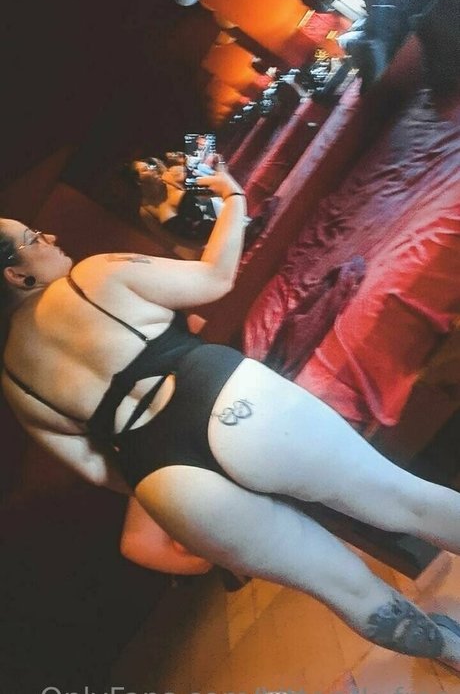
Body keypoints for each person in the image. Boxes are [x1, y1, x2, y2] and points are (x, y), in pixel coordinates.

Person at [3, 167, 460, 674]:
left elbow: (96, 470)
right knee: (406, 502)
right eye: (32, 238)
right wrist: (232, 193)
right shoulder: (91, 276)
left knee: (342, 589)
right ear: (15, 275)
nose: (49, 237)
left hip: (166, 481)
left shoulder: (13, 381)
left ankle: (451, 652)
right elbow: (215, 278)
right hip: (228, 403)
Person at [123, 157, 216, 247]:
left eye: (151, 166)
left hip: (219, 218)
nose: (153, 169)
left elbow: (210, 185)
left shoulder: (171, 177)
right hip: (206, 242)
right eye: (145, 169)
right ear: (138, 181)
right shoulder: (146, 211)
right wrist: (202, 247)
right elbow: (170, 238)